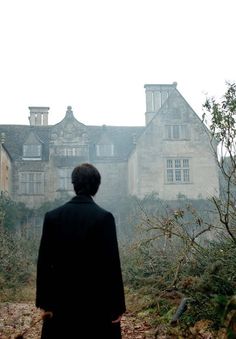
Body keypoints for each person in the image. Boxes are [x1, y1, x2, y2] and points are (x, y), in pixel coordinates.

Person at [36, 163, 126, 339]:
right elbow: (111, 266)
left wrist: (44, 303)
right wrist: (117, 306)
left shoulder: (52, 217)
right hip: (96, 306)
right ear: (96, 186)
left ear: (74, 184)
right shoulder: (104, 218)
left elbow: (44, 263)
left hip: (60, 304)